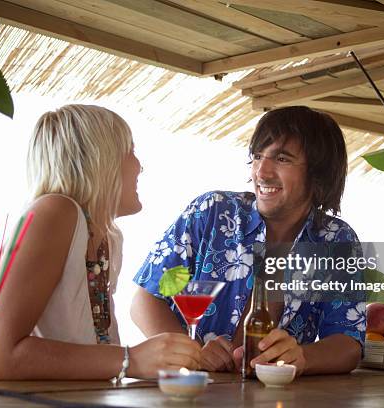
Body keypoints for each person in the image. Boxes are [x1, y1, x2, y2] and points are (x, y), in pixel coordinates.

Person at [131, 106, 365, 375]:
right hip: (188, 392)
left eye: (282, 159)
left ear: (318, 173)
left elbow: (349, 343)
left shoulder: (337, 241)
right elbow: (145, 300)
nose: (261, 172)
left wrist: (302, 357)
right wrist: (191, 352)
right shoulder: (211, 211)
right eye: (257, 156)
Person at [0, 105, 201, 381]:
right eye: (130, 152)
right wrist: (130, 359)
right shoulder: (54, 212)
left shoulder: (107, 237)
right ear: (100, 159)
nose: (139, 166)